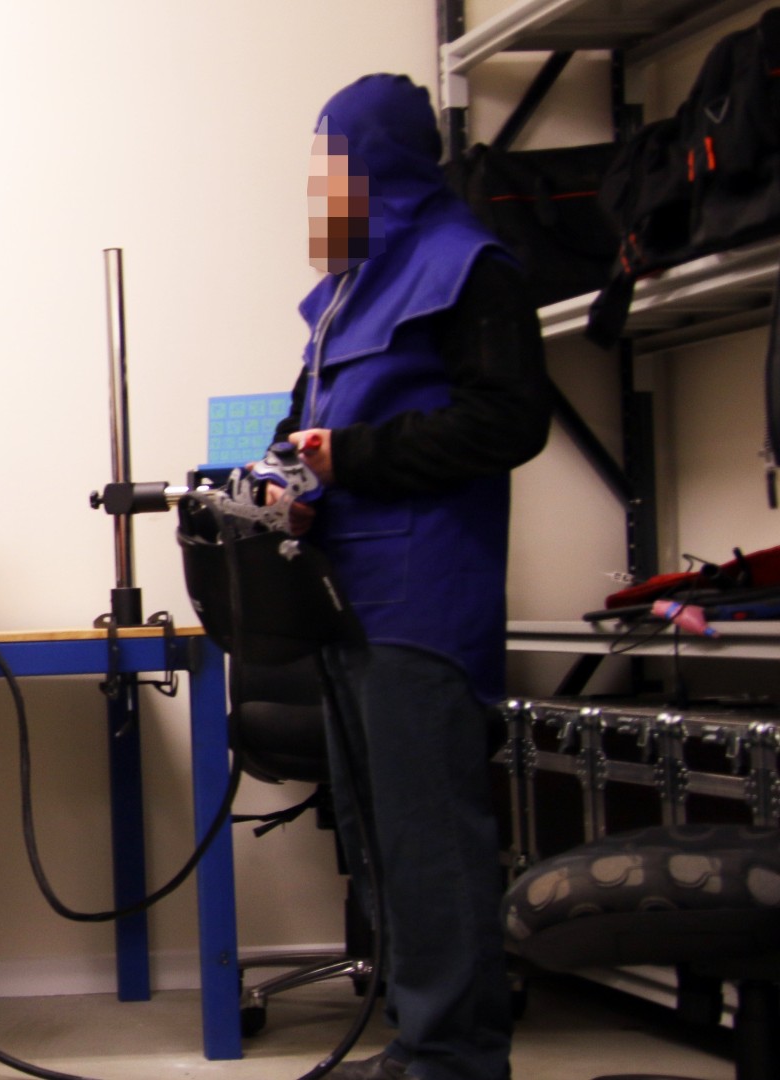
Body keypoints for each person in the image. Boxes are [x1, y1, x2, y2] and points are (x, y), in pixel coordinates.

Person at [272, 74, 551, 1080]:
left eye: (331, 168)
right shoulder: (343, 297)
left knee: (430, 839)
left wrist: (353, 459)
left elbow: (508, 421)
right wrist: (288, 480)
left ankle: (455, 1058)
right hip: (345, 598)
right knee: (375, 833)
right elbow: (303, 428)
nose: (319, 191)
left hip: (423, 598)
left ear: (377, 164)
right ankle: (417, 1042)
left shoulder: (470, 266)